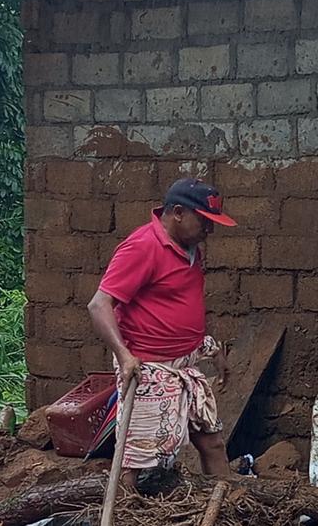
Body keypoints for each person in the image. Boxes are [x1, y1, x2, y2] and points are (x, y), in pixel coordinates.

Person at [87, 178, 236, 488]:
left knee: (213, 442)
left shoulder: (190, 248)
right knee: (136, 459)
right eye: (204, 222)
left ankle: (225, 506)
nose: (210, 231)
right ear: (178, 212)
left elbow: (183, 303)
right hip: (147, 368)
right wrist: (124, 356)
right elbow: (99, 305)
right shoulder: (143, 246)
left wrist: (209, 349)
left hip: (185, 364)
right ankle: (125, 522)